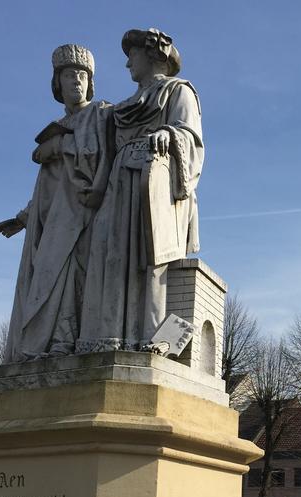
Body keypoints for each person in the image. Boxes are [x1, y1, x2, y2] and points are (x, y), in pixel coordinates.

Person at [77, 28, 204, 353]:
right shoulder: (120, 108)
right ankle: (108, 339)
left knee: (151, 262)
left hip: (155, 188)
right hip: (119, 188)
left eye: (131, 55)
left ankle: (155, 338)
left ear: (151, 55)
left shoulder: (179, 92)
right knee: (112, 258)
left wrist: (169, 136)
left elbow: (192, 140)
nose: (127, 64)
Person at [0, 44, 112, 363]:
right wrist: (22, 219)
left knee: (74, 277)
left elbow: (99, 158)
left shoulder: (101, 114)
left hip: (86, 213)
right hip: (53, 219)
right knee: (48, 281)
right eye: (68, 75)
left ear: (90, 82)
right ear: (57, 84)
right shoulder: (55, 129)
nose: (76, 81)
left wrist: (62, 145)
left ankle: (67, 341)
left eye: (82, 75)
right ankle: (48, 344)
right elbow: (47, 189)